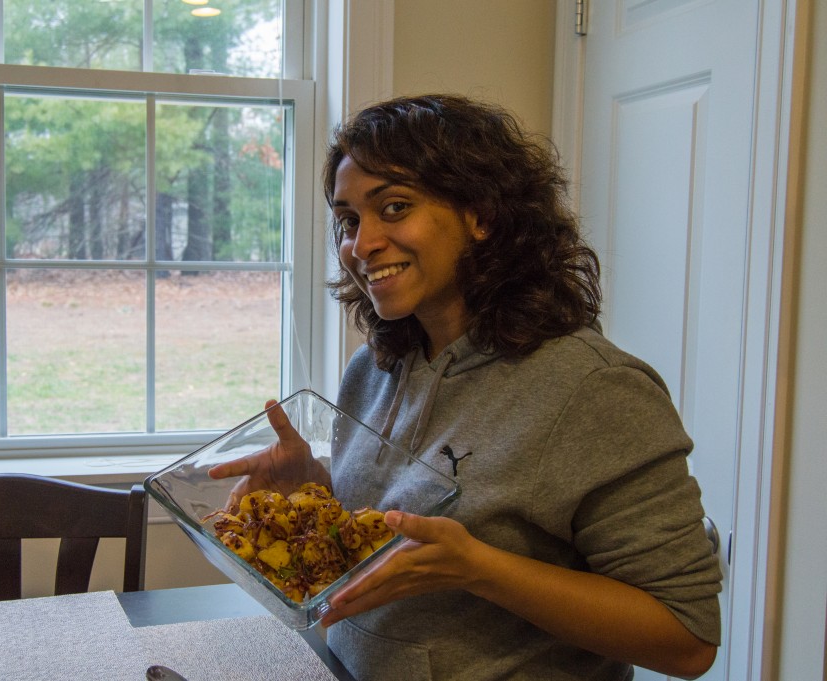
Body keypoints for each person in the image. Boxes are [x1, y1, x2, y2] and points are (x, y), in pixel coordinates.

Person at [211, 94, 722, 680]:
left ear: (482, 215)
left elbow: (687, 639)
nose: (362, 243)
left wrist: (477, 568)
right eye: (349, 221)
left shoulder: (596, 390)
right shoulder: (374, 369)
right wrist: (316, 495)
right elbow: (396, 532)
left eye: (395, 207)